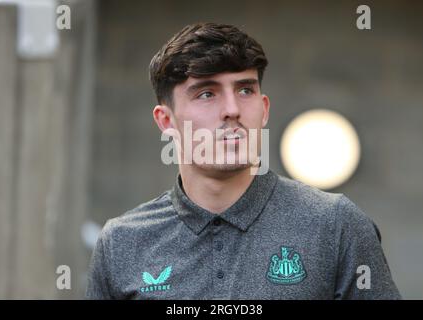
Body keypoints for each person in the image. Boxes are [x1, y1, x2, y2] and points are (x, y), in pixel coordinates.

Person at [86, 22, 401, 299]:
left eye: (245, 90)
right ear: (166, 121)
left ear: (264, 109)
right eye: (206, 94)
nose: (232, 109)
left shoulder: (336, 226)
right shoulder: (121, 243)